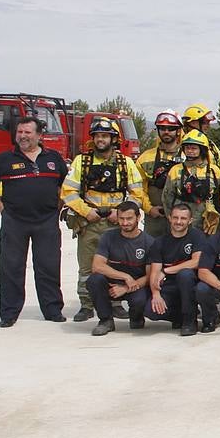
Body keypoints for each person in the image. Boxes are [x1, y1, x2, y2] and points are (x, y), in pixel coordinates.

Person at [0, 115, 67, 326]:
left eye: (28, 132)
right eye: (20, 132)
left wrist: (59, 204)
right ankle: (9, 314)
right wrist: (2, 210)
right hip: (15, 222)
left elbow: (66, 185)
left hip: (46, 221)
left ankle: (53, 310)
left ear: (39, 135)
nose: (23, 136)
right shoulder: (4, 159)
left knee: (48, 267)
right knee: (11, 267)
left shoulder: (53, 158)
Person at [61, 117, 147, 323]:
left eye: (105, 136)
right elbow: (68, 191)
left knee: (117, 264)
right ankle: (86, 305)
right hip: (89, 221)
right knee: (87, 266)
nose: (101, 140)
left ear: (114, 139)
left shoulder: (125, 164)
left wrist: (120, 213)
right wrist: (85, 211)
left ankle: (115, 304)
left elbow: (137, 193)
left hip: (117, 222)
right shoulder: (82, 162)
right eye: (97, 135)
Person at [84, 200, 156, 336]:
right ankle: (105, 320)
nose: (125, 223)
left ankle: (136, 318)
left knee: (139, 301)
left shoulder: (149, 242)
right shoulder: (108, 237)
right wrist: (124, 277)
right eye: (121, 219)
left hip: (136, 285)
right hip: (113, 282)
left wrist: (126, 287)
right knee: (94, 280)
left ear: (138, 218)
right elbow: (97, 266)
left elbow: (150, 276)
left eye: (129, 219)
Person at [146, 202, 205, 336]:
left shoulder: (197, 236)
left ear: (190, 220)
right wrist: (156, 295)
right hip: (169, 286)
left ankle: (190, 320)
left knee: (185, 274)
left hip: (191, 284)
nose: (179, 222)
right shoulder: (159, 242)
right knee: (151, 311)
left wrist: (166, 271)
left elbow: (196, 262)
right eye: (175, 218)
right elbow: (155, 272)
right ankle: (178, 316)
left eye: (183, 218)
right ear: (169, 218)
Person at [161, 130, 220, 233]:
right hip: (182, 220)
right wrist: (172, 219)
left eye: (194, 148)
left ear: (202, 150)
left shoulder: (214, 171)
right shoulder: (176, 170)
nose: (190, 151)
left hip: (206, 219)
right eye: (187, 148)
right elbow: (167, 197)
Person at [138, 112, 185, 238]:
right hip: (155, 219)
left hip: (183, 219)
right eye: (162, 128)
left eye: (171, 129)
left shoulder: (189, 156)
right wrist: (149, 209)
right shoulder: (145, 158)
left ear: (178, 131)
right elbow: (138, 189)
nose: (166, 132)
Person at [180, 103, 220, 167]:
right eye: (204, 123)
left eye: (208, 123)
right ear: (192, 123)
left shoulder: (212, 146)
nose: (208, 126)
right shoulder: (179, 145)